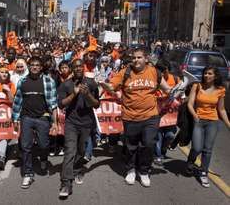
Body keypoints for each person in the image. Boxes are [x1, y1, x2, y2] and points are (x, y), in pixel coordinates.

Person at [100, 47, 172, 187]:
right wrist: (106, 85)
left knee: (149, 144)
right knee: (131, 146)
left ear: (146, 59)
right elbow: (112, 86)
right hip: (130, 117)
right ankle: (131, 170)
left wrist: (177, 91)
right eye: (133, 57)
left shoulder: (154, 72)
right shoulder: (125, 72)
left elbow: (166, 89)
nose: (136, 60)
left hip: (150, 116)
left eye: (139, 57)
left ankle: (144, 171)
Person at [12, 56, 58, 189]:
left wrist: (55, 123)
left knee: (44, 145)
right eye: (32, 65)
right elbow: (17, 101)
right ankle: (28, 173)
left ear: (41, 67)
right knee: (26, 146)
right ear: (29, 66)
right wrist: (15, 118)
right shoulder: (23, 81)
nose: (35, 67)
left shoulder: (48, 81)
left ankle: (43, 159)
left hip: (43, 118)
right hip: (26, 118)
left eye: (37, 65)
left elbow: (53, 104)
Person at [58, 59, 100, 197]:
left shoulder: (91, 83)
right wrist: (74, 94)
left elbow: (96, 105)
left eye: (80, 66)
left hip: (86, 123)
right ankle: (66, 184)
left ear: (83, 68)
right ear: (71, 69)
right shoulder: (66, 85)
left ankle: (77, 170)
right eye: (75, 67)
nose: (78, 69)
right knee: (70, 150)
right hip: (71, 123)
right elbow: (61, 104)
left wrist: (87, 94)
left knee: (81, 151)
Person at [186, 66, 230, 188]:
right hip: (199, 120)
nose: (206, 75)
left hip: (213, 122)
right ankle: (191, 160)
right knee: (197, 147)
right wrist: (195, 116)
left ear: (215, 76)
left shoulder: (220, 90)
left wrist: (228, 125)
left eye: (209, 73)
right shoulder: (197, 86)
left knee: (208, 149)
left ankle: (203, 172)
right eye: (205, 73)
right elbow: (190, 104)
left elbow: (221, 109)